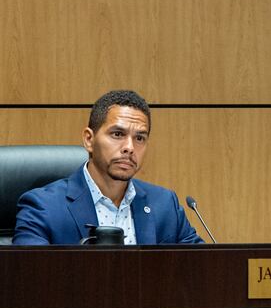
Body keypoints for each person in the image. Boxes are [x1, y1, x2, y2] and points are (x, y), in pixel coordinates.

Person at [13, 90, 203, 245]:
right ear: (89, 139)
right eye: (118, 134)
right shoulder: (44, 207)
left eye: (139, 138)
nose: (129, 147)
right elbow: (29, 281)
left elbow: (202, 270)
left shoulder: (164, 205)